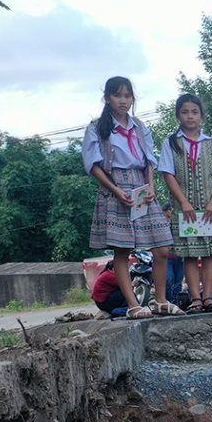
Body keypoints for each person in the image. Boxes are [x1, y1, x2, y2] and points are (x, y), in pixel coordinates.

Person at [83, 76, 179, 318]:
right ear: (107, 98)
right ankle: (133, 305)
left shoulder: (139, 126)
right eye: (117, 95)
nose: (123, 100)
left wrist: (151, 186)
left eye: (127, 95)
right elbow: (93, 165)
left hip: (142, 187)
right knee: (122, 252)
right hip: (115, 186)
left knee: (162, 247)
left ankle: (160, 300)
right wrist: (116, 190)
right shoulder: (97, 128)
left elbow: (149, 159)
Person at [161, 93, 212, 313]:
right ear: (178, 115)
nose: (190, 116)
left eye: (194, 112)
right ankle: (195, 299)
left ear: (201, 115)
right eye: (185, 112)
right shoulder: (171, 143)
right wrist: (183, 202)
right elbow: (168, 174)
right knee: (190, 254)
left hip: (209, 209)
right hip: (186, 211)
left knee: (209, 253)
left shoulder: (211, 144)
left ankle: (209, 297)